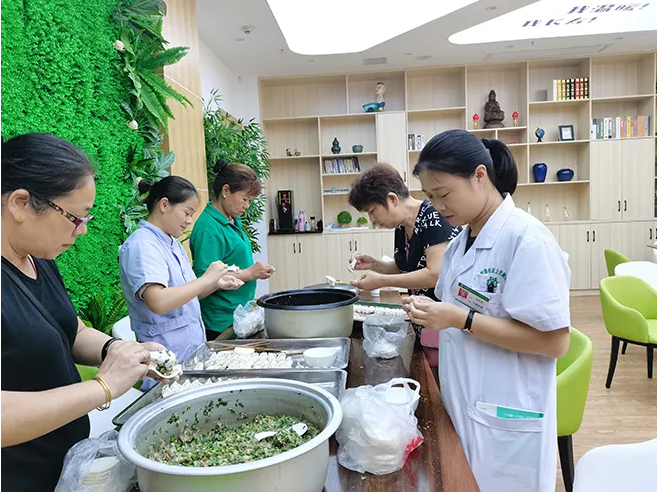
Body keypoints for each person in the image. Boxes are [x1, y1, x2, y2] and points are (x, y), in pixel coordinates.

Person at [403, 130, 571, 492]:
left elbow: (555, 342)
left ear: (480, 175)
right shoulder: (460, 243)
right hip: (465, 397)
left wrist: (460, 319)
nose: (437, 206)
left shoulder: (527, 240)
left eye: (444, 193)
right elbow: (458, 305)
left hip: (507, 410)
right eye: (430, 196)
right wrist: (432, 311)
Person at [1, 133, 168, 491]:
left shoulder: (39, 259)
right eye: (74, 217)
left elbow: (71, 330)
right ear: (20, 204)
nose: (83, 230)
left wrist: (117, 350)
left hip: (66, 466)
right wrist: (103, 387)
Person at [119, 176, 243, 373]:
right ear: (164, 205)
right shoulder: (142, 245)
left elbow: (189, 292)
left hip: (190, 350)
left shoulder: (173, 243)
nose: (189, 221)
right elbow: (158, 301)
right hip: (166, 355)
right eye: (187, 213)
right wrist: (206, 279)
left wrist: (215, 283)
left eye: (192, 214)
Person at [347, 163, 460, 299]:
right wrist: (373, 264)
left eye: (372, 211)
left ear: (392, 199)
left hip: (445, 309)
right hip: (422, 308)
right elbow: (404, 268)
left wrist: (381, 281)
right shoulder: (402, 227)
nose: (372, 219)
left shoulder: (434, 216)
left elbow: (435, 274)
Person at [191, 160, 275, 339]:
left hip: (238, 316)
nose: (247, 206)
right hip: (220, 322)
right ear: (226, 191)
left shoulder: (231, 218)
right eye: (244, 199)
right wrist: (249, 273)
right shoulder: (208, 228)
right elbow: (204, 280)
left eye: (250, 201)